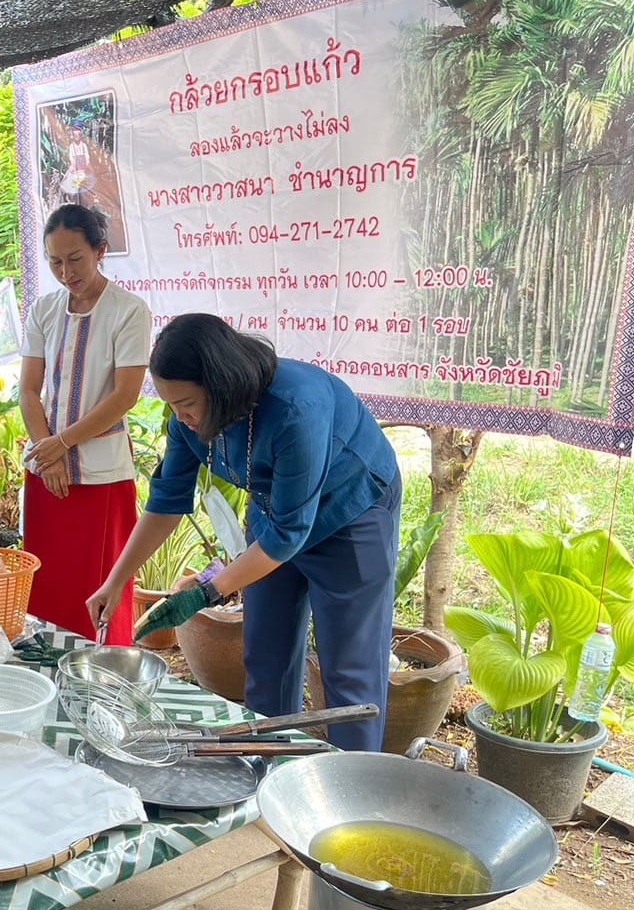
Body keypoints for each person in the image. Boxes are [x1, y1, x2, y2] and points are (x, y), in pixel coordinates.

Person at [86, 314, 402, 751]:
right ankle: (268, 770)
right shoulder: (187, 419)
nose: (181, 417)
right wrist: (117, 581)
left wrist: (204, 592)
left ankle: (351, 792)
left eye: (188, 404)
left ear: (222, 386)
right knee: (266, 654)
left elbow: (289, 535)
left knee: (349, 670)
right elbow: (166, 501)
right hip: (274, 510)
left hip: (350, 511)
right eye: (170, 404)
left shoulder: (296, 407)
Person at [19, 204, 149, 643]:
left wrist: (63, 443)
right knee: (48, 584)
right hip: (46, 473)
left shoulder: (129, 311)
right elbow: (28, 391)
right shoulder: (42, 311)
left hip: (102, 474)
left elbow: (125, 395)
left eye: (75, 259)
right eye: (55, 261)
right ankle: (45, 677)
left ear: (100, 251)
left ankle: (105, 680)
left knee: (101, 585)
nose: (65, 271)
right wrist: (48, 452)